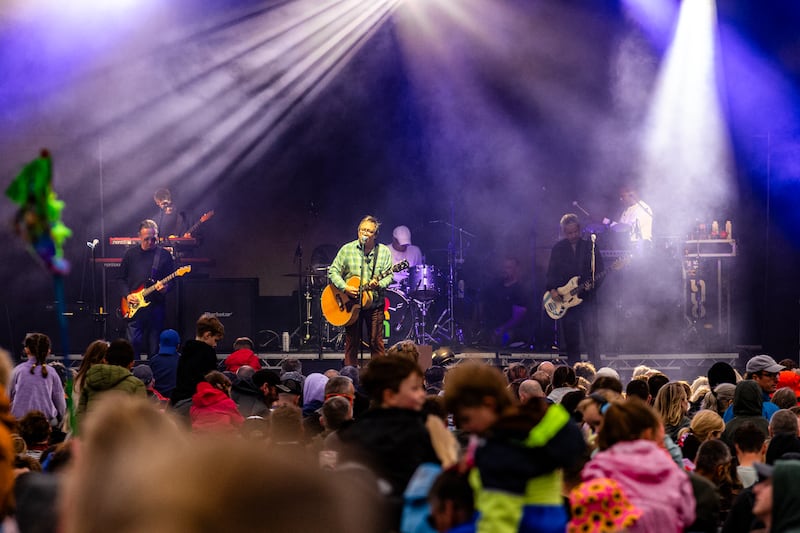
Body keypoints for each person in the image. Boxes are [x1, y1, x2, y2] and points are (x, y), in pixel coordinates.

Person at [328, 215, 394, 367]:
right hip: (351, 304)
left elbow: (389, 276)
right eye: (362, 230)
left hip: (374, 303)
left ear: (375, 235)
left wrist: (377, 284)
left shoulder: (383, 252)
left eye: (369, 231)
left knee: (375, 342)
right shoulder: (347, 249)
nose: (365, 233)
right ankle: (350, 374)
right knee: (352, 342)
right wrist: (345, 287)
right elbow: (333, 272)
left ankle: (379, 375)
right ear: (358, 232)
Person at [545, 213, 604, 365]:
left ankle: (595, 369)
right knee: (572, 340)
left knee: (592, 338)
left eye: (575, 232)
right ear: (564, 232)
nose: (572, 235)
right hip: (567, 300)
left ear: (580, 229)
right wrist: (553, 290)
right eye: (569, 233)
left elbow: (600, 271)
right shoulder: (558, 249)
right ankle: (574, 371)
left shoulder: (590, 246)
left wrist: (593, 285)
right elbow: (551, 272)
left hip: (587, 299)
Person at [118, 219, 175, 358]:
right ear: (139, 236)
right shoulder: (130, 254)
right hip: (134, 306)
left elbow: (174, 281)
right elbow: (120, 279)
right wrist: (127, 295)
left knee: (154, 345)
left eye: (154, 239)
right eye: (146, 239)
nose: (150, 242)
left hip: (156, 307)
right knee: (133, 343)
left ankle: (153, 377)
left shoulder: (164, 255)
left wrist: (165, 288)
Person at [169, 313, 224, 411]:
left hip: (179, 403)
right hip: (198, 403)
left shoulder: (186, 350)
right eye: (215, 340)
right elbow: (212, 381)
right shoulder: (208, 352)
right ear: (207, 335)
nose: (215, 344)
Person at [9, 333, 66, 427]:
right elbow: (60, 404)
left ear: (26, 350)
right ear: (48, 351)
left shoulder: (17, 371)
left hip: (19, 423)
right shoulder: (52, 373)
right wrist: (60, 419)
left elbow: (7, 397)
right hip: (45, 423)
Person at [481, 257, 530, 347]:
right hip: (494, 328)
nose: (504, 270)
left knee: (505, 338)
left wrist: (501, 330)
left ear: (516, 270)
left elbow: (518, 317)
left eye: (508, 268)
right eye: (504, 267)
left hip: (512, 330)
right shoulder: (496, 286)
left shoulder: (520, 290)